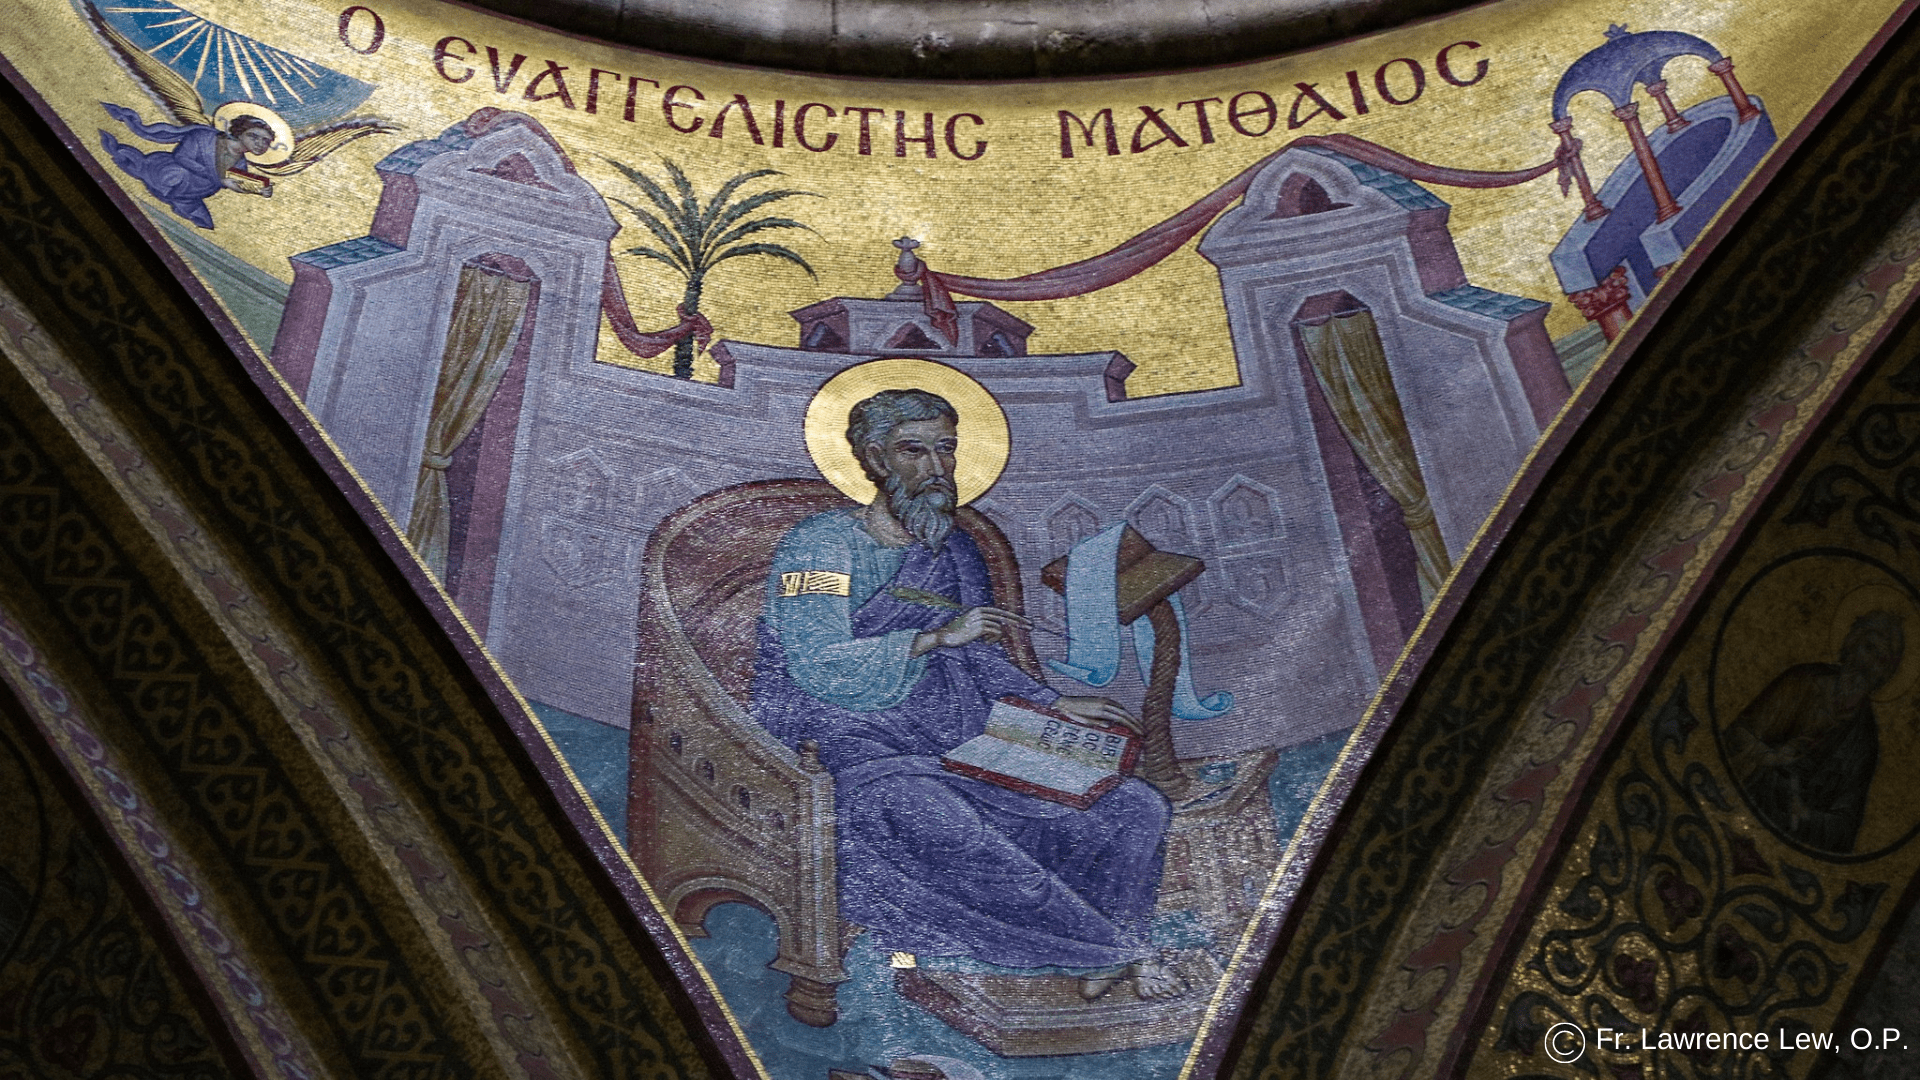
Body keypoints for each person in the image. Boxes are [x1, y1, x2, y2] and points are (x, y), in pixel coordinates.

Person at [751, 388, 1179, 998]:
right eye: (914, 451)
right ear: (874, 459)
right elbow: (815, 661)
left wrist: (1050, 703)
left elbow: (980, 651)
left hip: (963, 735)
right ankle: (1113, 950)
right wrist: (934, 638)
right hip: (854, 747)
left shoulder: (954, 547)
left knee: (1136, 806)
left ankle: (1102, 952)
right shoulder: (820, 546)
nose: (936, 468)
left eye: (946, 450)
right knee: (946, 825)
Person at [1723, 608, 1902, 852]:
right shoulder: (1802, 681)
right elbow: (1738, 735)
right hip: (1742, 800)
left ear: (1886, 675)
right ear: (1852, 643)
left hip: (1782, 838)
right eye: (1868, 648)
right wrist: (1771, 759)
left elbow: (1845, 825)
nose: (1868, 664)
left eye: (1881, 661)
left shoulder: (1864, 741)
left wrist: (1805, 816)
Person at [98, 104, 274, 229]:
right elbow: (182, 158)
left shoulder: (241, 163)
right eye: (254, 136)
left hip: (191, 195)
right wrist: (218, 179)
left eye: (266, 141)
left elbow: (234, 183)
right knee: (177, 174)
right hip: (167, 174)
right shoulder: (205, 137)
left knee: (205, 223)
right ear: (239, 132)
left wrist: (257, 189)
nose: (260, 144)